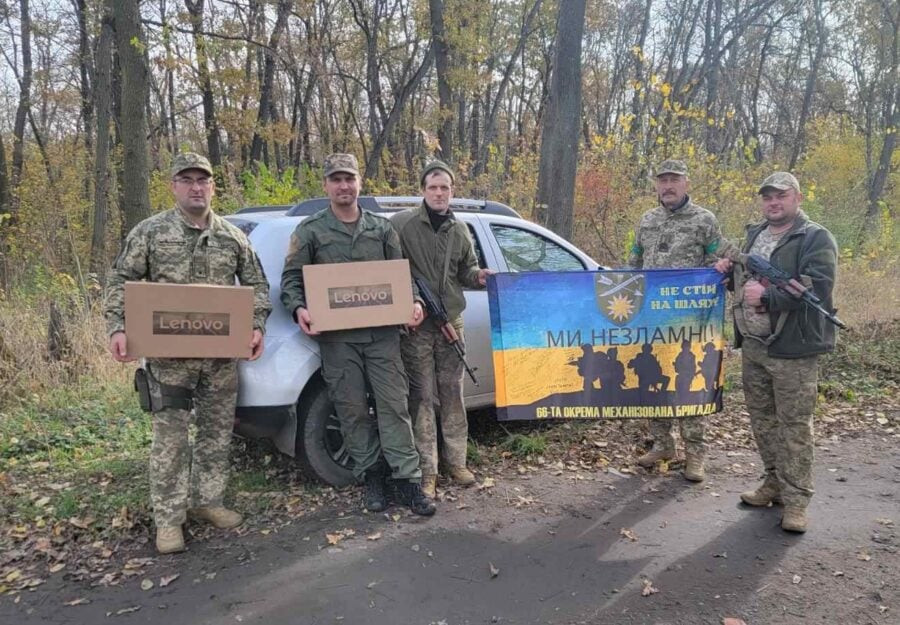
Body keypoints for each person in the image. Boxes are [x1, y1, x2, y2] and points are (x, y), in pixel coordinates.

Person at [104, 152, 271, 554]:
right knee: (171, 440)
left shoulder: (233, 237)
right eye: (187, 180)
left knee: (216, 435)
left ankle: (208, 502)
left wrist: (256, 326)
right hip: (168, 360)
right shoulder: (150, 233)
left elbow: (257, 286)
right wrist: (118, 327)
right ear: (174, 186)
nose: (196, 187)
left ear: (212, 186)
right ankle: (169, 520)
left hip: (219, 360)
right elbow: (120, 280)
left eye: (203, 180)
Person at [280, 153, 435, 516]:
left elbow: (403, 275)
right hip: (338, 340)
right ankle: (373, 477)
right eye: (336, 179)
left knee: (394, 407)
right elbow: (291, 281)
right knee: (351, 411)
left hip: (382, 337)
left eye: (349, 178)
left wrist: (414, 302)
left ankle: (407, 480)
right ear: (326, 185)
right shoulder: (310, 231)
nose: (343, 186)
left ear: (359, 183)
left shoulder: (381, 229)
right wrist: (299, 308)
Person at [714, 172, 838, 533]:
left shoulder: (814, 237)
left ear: (797, 198)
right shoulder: (754, 235)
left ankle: (797, 500)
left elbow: (820, 288)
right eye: (768, 197)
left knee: (794, 426)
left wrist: (769, 298)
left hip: (793, 349)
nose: (773, 202)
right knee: (763, 422)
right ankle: (774, 483)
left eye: (781, 196)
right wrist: (726, 273)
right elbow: (743, 278)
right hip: (754, 346)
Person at [390, 161, 492, 498]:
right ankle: (427, 471)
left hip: (451, 323)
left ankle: (457, 462)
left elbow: (466, 271)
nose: (439, 193)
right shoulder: (402, 224)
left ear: (452, 191)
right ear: (423, 190)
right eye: (433, 187)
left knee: (452, 395)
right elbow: (389, 270)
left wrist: (478, 277)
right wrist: (411, 300)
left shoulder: (459, 230)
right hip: (416, 325)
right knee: (421, 399)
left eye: (444, 188)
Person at [628, 159, 728, 482]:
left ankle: (695, 453)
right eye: (663, 180)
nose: (668, 186)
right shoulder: (646, 221)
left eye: (674, 180)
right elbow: (633, 264)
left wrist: (721, 275)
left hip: (692, 324)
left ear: (686, 184)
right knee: (654, 380)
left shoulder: (704, 221)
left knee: (690, 385)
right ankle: (663, 444)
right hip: (652, 320)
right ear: (656, 185)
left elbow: (719, 263)